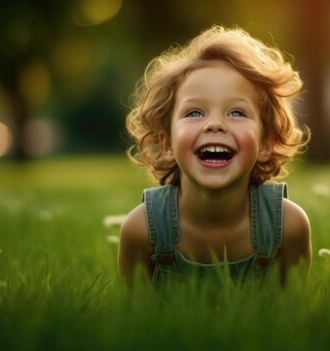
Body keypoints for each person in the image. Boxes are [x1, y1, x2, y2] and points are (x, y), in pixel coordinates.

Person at [119, 25, 311, 287]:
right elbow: (131, 321)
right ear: (167, 143)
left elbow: (296, 316)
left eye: (236, 113)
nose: (215, 124)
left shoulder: (289, 227)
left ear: (266, 142)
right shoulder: (141, 231)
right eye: (195, 113)